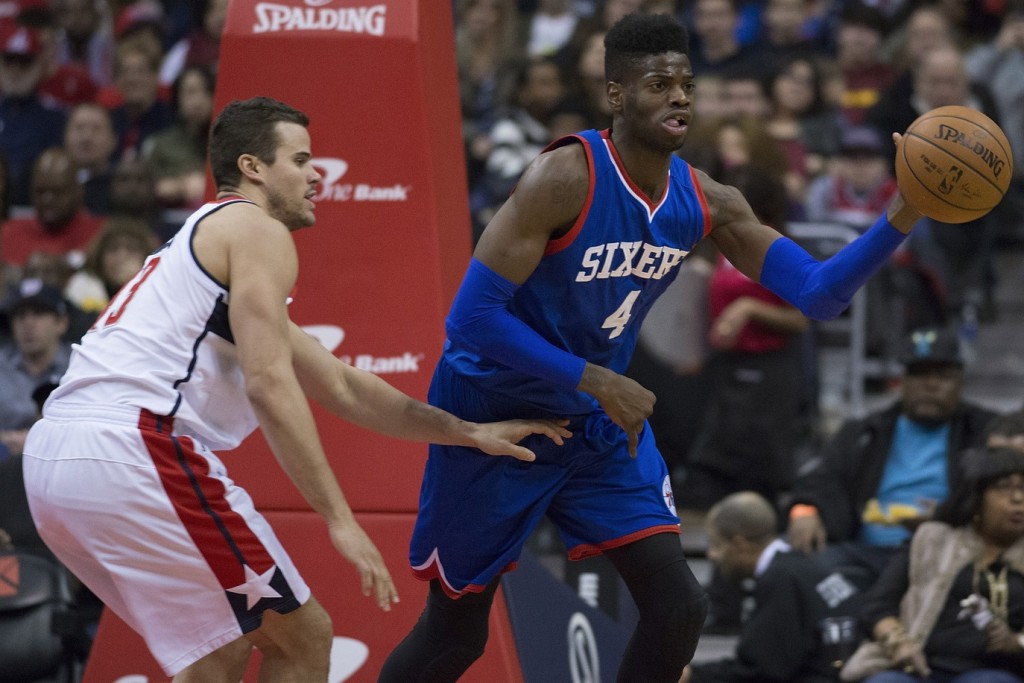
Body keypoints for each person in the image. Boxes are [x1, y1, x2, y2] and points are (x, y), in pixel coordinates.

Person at [380, 13, 924, 683]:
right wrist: (596, 379)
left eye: (688, 84)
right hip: (495, 415)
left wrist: (904, 209)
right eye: (659, 83)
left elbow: (817, 293)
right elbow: (471, 319)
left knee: (679, 609)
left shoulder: (705, 199)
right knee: (455, 635)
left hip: (595, 425)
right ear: (615, 93)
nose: (680, 97)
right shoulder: (563, 178)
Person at [20, 96, 573, 681]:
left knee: (221, 650)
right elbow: (267, 380)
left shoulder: (205, 248)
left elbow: (341, 384)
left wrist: (467, 432)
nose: (316, 174)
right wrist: (338, 517)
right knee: (303, 637)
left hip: (54, 462)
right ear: (253, 167)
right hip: (132, 447)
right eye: (302, 158)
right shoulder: (254, 229)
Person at [787, 327, 998, 588]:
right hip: (866, 553)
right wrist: (805, 511)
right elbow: (821, 479)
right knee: (789, 570)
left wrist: (945, 518)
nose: (930, 385)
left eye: (942, 376)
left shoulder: (986, 431)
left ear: (961, 382)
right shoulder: (865, 432)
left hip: (951, 553)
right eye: (919, 374)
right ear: (903, 381)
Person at [839, 446, 1024, 683]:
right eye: (1003, 487)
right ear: (976, 497)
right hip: (918, 668)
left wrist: (1017, 643)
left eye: (1023, 488)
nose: (1018, 498)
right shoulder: (933, 540)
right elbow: (877, 607)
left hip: (994, 671)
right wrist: (898, 643)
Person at [681, 491, 857, 683]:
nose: (712, 555)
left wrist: (693, 676)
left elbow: (761, 671)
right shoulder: (802, 565)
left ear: (741, 545)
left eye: (716, 544)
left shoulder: (779, 579)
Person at [0, 278, 71, 459]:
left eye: (39, 313)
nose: (28, 324)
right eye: (20, 315)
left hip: (63, 459)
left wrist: (35, 441)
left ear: (61, 323)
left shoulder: (78, 366)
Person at [0, 146, 104, 269]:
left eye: (58, 192)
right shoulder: (6, 233)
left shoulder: (101, 235)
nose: (47, 200)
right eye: (40, 191)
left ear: (78, 191)